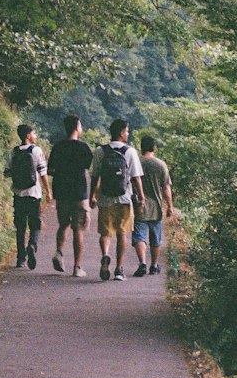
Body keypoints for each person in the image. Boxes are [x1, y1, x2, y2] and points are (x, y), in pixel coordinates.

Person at [89, 118, 144, 281]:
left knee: (105, 232)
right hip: (124, 198)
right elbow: (136, 178)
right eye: (127, 131)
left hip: (105, 198)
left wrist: (92, 195)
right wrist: (141, 197)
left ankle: (105, 255)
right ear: (121, 133)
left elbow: (95, 176)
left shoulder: (100, 151)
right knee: (122, 233)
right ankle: (119, 269)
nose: (128, 134)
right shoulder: (130, 151)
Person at [47, 114, 94, 277]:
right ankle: (77, 267)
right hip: (79, 193)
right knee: (79, 230)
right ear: (77, 127)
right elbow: (88, 168)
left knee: (63, 224)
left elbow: (50, 170)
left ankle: (59, 252)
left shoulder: (58, 147)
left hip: (62, 192)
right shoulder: (84, 148)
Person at [2, 123, 47, 270]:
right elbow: (42, 173)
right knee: (35, 224)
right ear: (28, 135)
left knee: (20, 227)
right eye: (34, 133)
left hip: (18, 194)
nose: (35, 136)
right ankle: (32, 245)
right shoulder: (36, 151)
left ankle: (20, 259)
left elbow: (7, 173)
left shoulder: (13, 152)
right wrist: (48, 190)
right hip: (34, 194)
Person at [131, 134, 173, 278]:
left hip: (139, 205)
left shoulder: (136, 162)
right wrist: (170, 206)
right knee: (156, 238)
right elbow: (166, 187)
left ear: (141, 147)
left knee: (139, 236)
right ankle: (154, 265)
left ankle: (142, 262)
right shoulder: (161, 164)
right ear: (154, 147)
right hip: (156, 206)